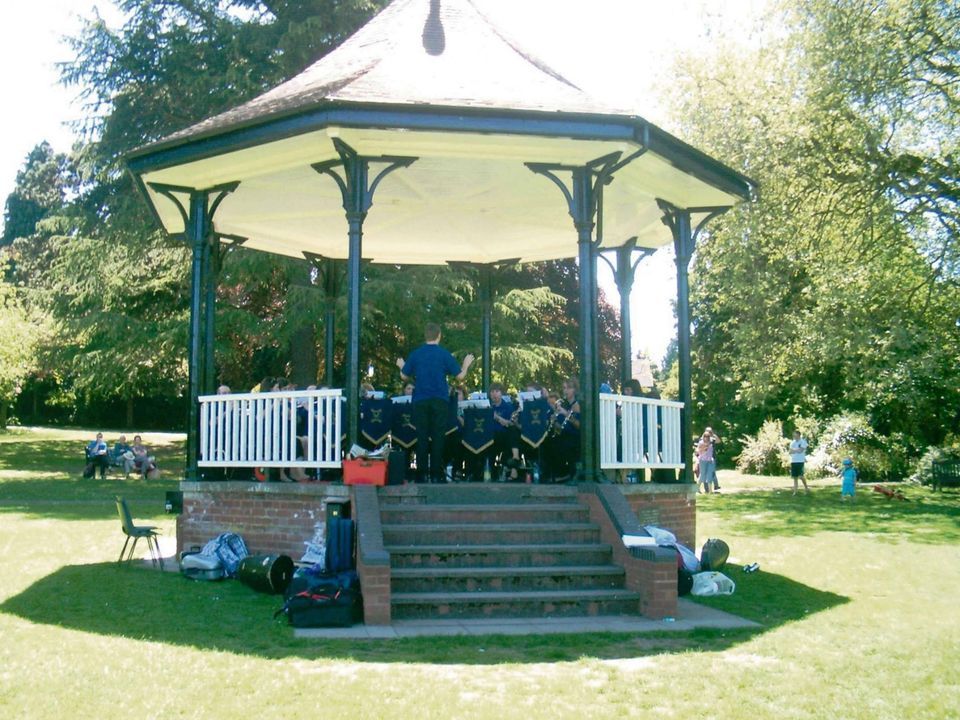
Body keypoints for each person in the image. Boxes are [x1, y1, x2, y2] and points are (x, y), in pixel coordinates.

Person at [396, 323, 474, 483]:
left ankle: (421, 474)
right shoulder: (444, 354)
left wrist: (401, 366)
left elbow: (404, 377)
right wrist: (465, 364)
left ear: (426, 336)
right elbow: (460, 377)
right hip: (439, 400)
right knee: (439, 436)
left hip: (420, 400)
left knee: (422, 436)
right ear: (439, 335)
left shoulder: (416, 354)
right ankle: (437, 474)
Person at [696, 427, 719, 493]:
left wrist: (713, 434)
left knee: (710, 475)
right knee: (702, 475)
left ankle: (710, 491)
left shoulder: (712, 441)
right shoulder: (701, 442)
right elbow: (698, 451)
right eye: (705, 436)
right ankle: (697, 488)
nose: (706, 437)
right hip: (702, 460)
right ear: (703, 436)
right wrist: (705, 447)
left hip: (710, 461)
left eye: (708, 436)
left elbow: (718, 441)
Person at [789, 430, 809, 495]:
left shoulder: (803, 442)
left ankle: (806, 488)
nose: (793, 436)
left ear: (798, 435)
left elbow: (801, 451)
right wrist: (796, 450)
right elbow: (790, 452)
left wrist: (794, 450)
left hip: (800, 461)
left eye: (795, 435)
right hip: (793, 460)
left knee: (801, 476)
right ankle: (795, 491)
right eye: (793, 435)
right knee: (795, 477)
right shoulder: (792, 442)